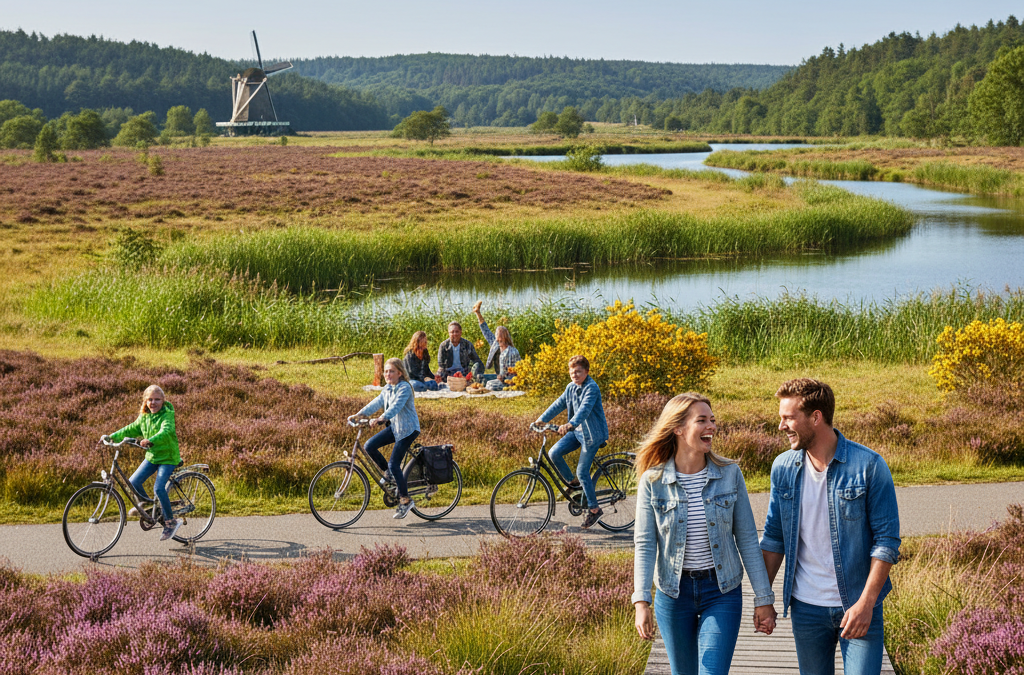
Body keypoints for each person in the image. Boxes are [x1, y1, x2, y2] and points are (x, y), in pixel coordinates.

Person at [760, 378, 901, 675]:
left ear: (816, 417)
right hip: (806, 608)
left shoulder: (869, 466)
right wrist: (763, 598)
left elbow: (886, 542)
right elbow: (774, 538)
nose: (781, 426)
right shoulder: (783, 468)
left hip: (858, 605)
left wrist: (866, 604)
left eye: (788, 418)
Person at [633, 393, 777, 675]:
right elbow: (646, 544)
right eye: (702, 420)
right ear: (678, 428)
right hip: (673, 593)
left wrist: (764, 598)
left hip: (722, 591)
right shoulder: (653, 480)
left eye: (712, 419)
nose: (711, 426)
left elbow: (748, 539)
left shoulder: (730, 474)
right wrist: (641, 601)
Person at [534, 355, 608, 528]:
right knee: (554, 453)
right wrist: (541, 420)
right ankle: (574, 485)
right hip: (577, 432)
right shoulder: (571, 387)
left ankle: (594, 509)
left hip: (592, 434)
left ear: (586, 372)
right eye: (572, 372)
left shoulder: (591, 388)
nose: (575, 375)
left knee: (582, 471)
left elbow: (584, 410)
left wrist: (569, 424)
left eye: (579, 371)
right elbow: (558, 404)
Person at [103, 384, 183, 542]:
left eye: (157, 399)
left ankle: (170, 521)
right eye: (150, 399)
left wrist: (150, 440)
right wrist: (111, 437)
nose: (153, 403)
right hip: (153, 456)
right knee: (133, 482)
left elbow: (166, 431)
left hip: (168, 458)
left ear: (163, 400)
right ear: (145, 401)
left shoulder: (167, 414)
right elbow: (130, 429)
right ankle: (149, 507)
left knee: (158, 488)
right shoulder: (144, 417)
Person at [349, 358, 421, 519]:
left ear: (399, 373)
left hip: (408, 429)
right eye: (386, 371)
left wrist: (381, 418)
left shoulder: (405, 388)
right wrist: (359, 414)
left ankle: (405, 500)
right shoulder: (388, 388)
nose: (388, 374)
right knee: (369, 446)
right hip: (395, 427)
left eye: (392, 371)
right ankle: (389, 474)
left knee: (394, 463)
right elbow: (376, 402)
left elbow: (396, 406)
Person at [471, 300, 521, 391]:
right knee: (479, 377)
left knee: (489, 385)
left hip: (508, 380)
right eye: (497, 339)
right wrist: (478, 313)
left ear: (506, 338)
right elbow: (486, 331)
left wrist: (503, 377)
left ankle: (491, 386)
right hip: (499, 377)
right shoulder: (496, 344)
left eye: (501, 339)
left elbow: (516, 370)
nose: (499, 341)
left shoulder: (512, 352)